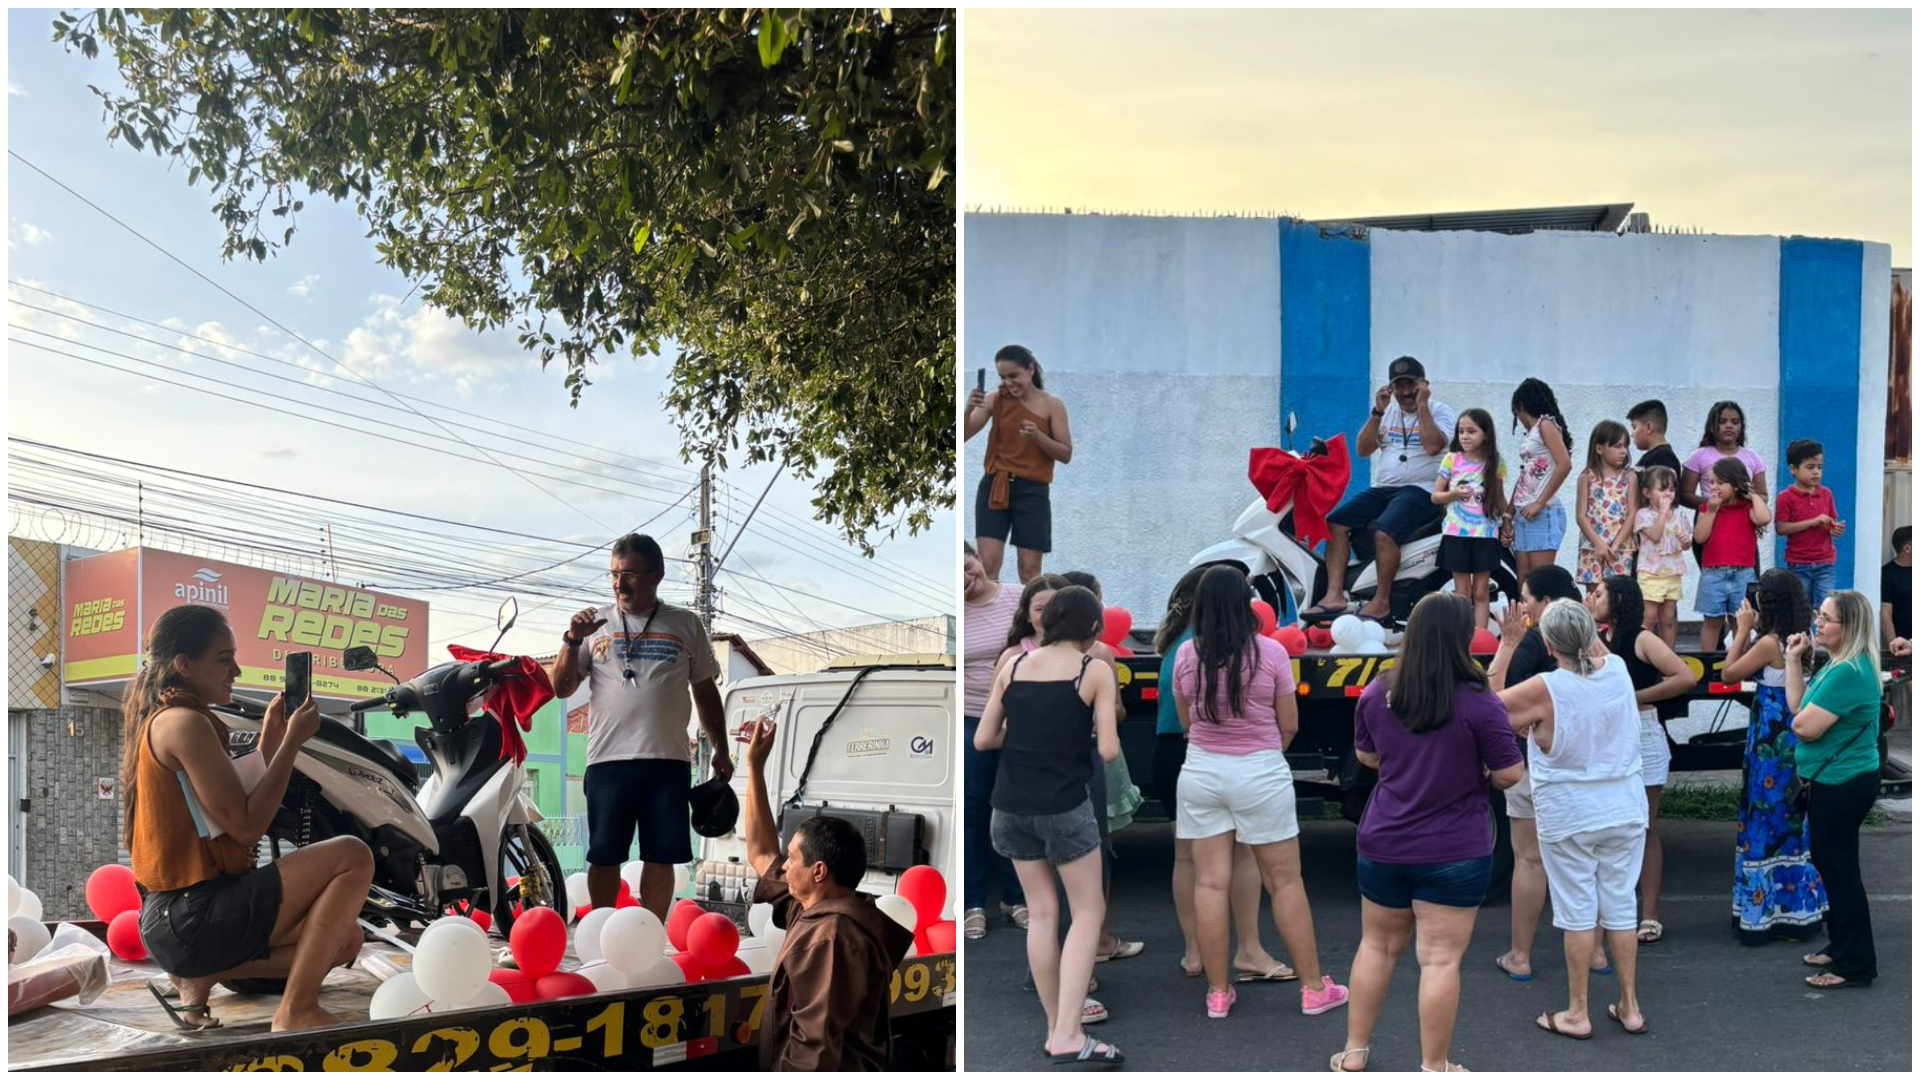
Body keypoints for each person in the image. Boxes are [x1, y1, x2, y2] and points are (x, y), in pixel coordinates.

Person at [125, 605, 374, 1032]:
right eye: (224, 659)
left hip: (174, 922)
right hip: (192, 916)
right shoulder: (185, 723)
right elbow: (244, 825)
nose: (236, 671)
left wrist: (271, 742)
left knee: (346, 938)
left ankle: (203, 976)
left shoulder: (174, 718)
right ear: (183, 665)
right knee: (353, 854)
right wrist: (293, 743)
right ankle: (296, 1010)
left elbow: (228, 804)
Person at [1331, 594, 1524, 1073]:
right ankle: (1434, 1066)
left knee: (1375, 946)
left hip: (1384, 841)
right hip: (1456, 848)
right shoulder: (1478, 701)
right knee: (1439, 961)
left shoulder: (1379, 691)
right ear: (1462, 639)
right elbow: (1510, 774)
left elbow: (1368, 758)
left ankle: (1354, 1052)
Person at [1173, 566, 1348, 1021]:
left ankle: (1217, 992)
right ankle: (1313, 989)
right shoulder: (1270, 652)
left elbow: (1189, 722)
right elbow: (1288, 723)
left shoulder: (1187, 655)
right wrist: (1263, 754)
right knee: (1285, 882)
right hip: (1259, 771)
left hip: (1201, 771)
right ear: (1245, 604)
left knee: (1210, 882)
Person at [976, 585, 1124, 1066]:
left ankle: (1054, 1027)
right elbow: (1107, 750)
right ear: (1093, 628)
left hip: (1010, 804)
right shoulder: (1093, 669)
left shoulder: (1013, 666)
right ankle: (1069, 1032)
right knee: (1087, 913)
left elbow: (983, 739)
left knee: (1040, 915)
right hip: (1063, 804)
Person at [550, 534, 730, 918]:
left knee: (661, 856)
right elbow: (561, 687)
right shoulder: (595, 625)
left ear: (656, 576)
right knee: (604, 855)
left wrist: (721, 749)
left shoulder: (685, 623)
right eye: (614, 574)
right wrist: (570, 641)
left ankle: (651, 932)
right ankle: (601, 929)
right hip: (607, 760)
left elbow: (704, 690)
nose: (619, 583)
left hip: (667, 761)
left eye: (629, 573)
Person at [1498, 600, 1650, 1040]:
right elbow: (1592, 651)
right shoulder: (1619, 669)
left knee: (1578, 912)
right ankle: (1630, 1006)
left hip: (1570, 812)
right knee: (1621, 905)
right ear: (1592, 633)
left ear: (1547, 644)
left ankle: (1577, 1012)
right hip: (1624, 804)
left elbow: (1488, 712)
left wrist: (1508, 646)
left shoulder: (1545, 687)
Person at [740, 719, 913, 1070]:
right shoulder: (811, 910)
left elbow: (815, 1050)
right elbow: (760, 852)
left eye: (792, 859)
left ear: (819, 871)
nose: (784, 867)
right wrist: (755, 768)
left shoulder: (832, 936)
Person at [1153, 567, 1292, 983]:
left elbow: (1182, 717)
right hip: (1213, 752)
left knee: (1188, 860)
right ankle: (1248, 948)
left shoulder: (1180, 646)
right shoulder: (1245, 648)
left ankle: (1196, 951)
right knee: (1244, 853)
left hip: (1181, 752)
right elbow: (1284, 720)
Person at [1487, 566, 1607, 980]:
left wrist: (1506, 645)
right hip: (1588, 767)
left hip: (1536, 765)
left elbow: (1496, 703)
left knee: (1530, 860)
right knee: (1588, 860)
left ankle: (1521, 956)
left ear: (1545, 604)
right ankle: (1596, 953)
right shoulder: (1600, 649)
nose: (1522, 607)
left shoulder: (1533, 642)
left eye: (1526, 599)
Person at [1306, 356, 1458, 623]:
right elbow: (1363, 450)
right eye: (1399, 385)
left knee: (1385, 532)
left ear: (1424, 385)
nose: (1406, 391)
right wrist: (1377, 412)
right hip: (1384, 488)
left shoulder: (1440, 411)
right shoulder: (1387, 412)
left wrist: (1422, 405)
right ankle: (1334, 595)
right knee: (1336, 522)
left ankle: (1382, 600)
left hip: (1421, 490)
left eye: (1411, 384)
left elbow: (1434, 445)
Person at [1721, 569, 1827, 946]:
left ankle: (1762, 912)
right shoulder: (1802, 637)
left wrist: (1741, 629)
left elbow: (1730, 671)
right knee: (1792, 816)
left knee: (1764, 814)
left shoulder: (1769, 642)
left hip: (1770, 734)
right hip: (1791, 732)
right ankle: (1799, 909)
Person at [1587, 576, 1694, 946]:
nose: (1592, 598)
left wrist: (1635, 695)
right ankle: (1611, 913)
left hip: (1644, 732)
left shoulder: (1643, 638)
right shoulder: (1599, 636)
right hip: (1610, 734)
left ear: (1617, 599)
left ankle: (1649, 915)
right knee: (1609, 825)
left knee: (1646, 826)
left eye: (1598, 594)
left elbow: (1684, 677)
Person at [1786, 590, 1884, 989]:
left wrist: (1803, 722)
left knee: (1838, 868)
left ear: (1850, 627)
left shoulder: (1847, 672)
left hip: (1841, 783)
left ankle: (1855, 963)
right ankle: (1841, 943)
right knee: (1836, 863)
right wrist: (1793, 659)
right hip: (1834, 780)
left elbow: (1803, 727)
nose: (1817, 623)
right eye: (1818, 615)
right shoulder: (1837, 664)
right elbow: (1797, 708)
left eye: (1826, 618)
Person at [1061, 570, 1146, 965]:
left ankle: (1089, 940)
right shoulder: (1097, 657)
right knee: (1095, 851)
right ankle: (1096, 942)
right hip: (1092, 759)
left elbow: (1117, 710)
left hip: (1059, 766)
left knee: (1077, 857)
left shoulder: (1023, 659)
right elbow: (1114, 725)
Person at [966, 344, 1073, 584]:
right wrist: (968, 409)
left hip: (1033, 491)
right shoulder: (995, 400)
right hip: (996, 486)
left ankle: (1026, 619)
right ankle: (991, 620)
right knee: (988, 565)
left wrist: (1038, 437)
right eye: (1003, 377)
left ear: (1031, 370)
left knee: (1029, 570)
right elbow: (962, 435)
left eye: (1013, 376)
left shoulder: (1052, 404)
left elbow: (1066, 453)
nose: (1008, 383)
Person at [963, 542, 1027, 940]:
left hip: (1022, 717)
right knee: (975, 809)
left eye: (968, 565)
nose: (967, 577)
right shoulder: (957, 611)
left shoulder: (1020, 599)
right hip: (972, 717)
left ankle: (1016, 897)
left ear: (978, 557)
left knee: (1016, 807)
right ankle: (973, 902)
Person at [1432, 408, 1509, 630]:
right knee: (1462, 592)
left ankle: (1480, 638)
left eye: (1471, 431)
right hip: (1457, 534)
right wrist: (1454, 494)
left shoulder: (1495, 462)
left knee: (1482, 591)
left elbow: (1500, 499)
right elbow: (1436, 496)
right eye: (1461, 431)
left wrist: (1509, 520)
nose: (1464, 436)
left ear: (1485, 434)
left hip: (1485, 534)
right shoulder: (1451, 459)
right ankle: (1463, 638)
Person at [1693, 458, 1773, 653]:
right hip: (1713, 573)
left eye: (1720, 483)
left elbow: (1764, 518)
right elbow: (1699, 537)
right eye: (1712, 482)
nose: (1714, 487)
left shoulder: (1747, 508)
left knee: (1740, 622)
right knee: (1712, 622)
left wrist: (1752, 495)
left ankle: (1738, 664)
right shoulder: (1707, 508)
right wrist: (1712, 511)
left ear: (1736, 485)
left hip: (1743, 573)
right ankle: (1709, 666)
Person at [1505, 378, 1575, 578]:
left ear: (1521, 406)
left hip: (1543, 512)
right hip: (1523, 513)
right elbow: (1524, 476)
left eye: (1515, 413)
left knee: (1539, 581)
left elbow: (1565, 464)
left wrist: (1539, 503)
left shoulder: (1545, 424)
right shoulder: (1531, 434)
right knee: (1524, 583)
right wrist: (1509, 514)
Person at [1775, 440, 1845, 613]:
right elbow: (1781, 528)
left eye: (1820, 467)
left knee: (1826, 608)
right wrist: (1813, 522)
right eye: (1810, 467)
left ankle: (1823, 640)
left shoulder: (1826, 494)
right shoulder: (1785, 497)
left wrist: (1835, 529)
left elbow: (1831, 523)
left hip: (1825, 562)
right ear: (1793, 469)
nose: (1816, 472)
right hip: (1799, 564)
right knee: (1801, 608)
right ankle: (1802, 639)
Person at [1632, 466, 1691, 649]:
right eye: (1662, 489)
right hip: (1651, 573)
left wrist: (1685, 541)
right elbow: (1656, 536)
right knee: (1649, 617)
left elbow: (1687, 545)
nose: (1668, 494)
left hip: (1672, 572)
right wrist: (1663, 513)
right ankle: (1643, 653)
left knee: (1668, 618)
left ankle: (1669, 658)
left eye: (1671, 490)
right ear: (1647, 492)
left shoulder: (1680, 515)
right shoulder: (1644, 515)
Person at [1575, 421, 1638, 590]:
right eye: (1617, 446)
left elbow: (1632, 513)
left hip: (1621, 547)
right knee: (1594, 595)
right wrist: (1599, 544)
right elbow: (1581, 516)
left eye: (1625, 446)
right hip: (1593, 546)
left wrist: (1615, 545)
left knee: (1617, 595)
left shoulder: (1629, 477)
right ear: (1599, 449)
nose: (1623, 451)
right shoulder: (1587, 477)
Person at [1679, 399, 1769, 517]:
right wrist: (1712, 504)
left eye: (1735, 422)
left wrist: (1747, 499)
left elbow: (1763, 495)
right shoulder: (1699, 456)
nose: (1729, 426)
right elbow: (1684, 495)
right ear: (1711, 427)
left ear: (1741, 427)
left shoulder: (1753, 457)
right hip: (1709, 522)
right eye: (1722, 421)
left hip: (1742, 522)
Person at [1626, 399, 1682, 478]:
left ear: (1649, 427)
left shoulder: (1664, 458)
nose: (1632, 434)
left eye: (1634, 427)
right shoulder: (1652, 456)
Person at [1880, 525, 1911, 645]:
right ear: (1907, 549)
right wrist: (1894, 645)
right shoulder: (1887, 574)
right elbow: (1885, 613)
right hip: (1904, 643)